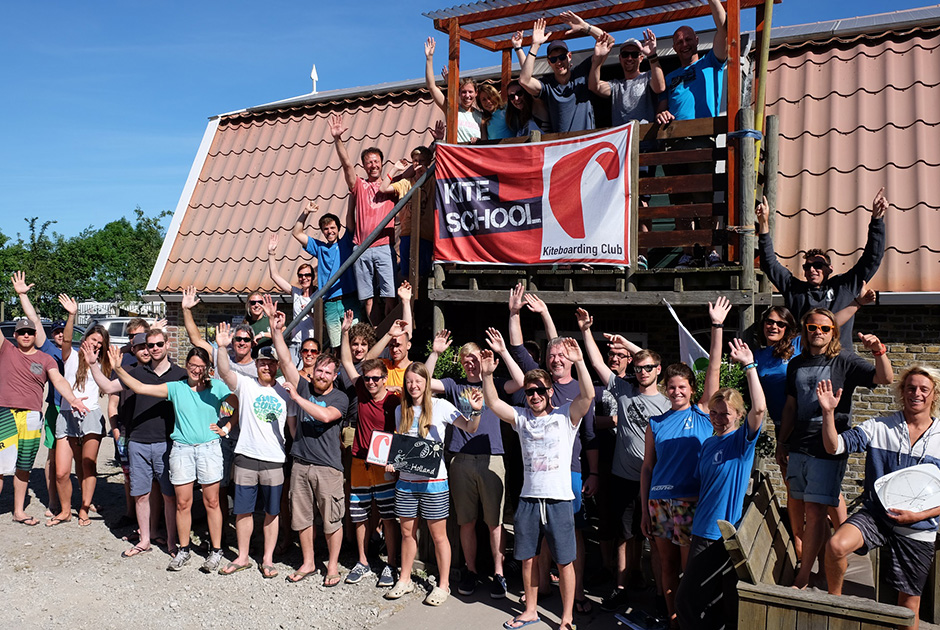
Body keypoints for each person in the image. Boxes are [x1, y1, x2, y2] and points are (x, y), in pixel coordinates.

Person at [776, 307, 893, 589]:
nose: (818, 332)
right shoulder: (796, 363)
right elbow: (791, 406)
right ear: (805, 331)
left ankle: (805, 575)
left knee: (816, 511)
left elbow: (884, 378)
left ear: (834, 333)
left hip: (828, 446)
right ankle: (818, 571)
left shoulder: (845, 361)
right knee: (804, 506)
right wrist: (782, 440)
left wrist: (879, 352)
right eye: (813, 327)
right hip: (799, 445)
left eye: (825, 329)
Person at [482, 341, 594, 630]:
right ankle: (530, 610)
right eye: (530, 391)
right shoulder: (522, 419)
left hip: (558, 499)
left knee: (565, 561)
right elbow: (494, 404)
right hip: (529, 499)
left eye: (540, 390)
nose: (534, 395)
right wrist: (485, 375)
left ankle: (566, 617)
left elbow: (588, 395)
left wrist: (579, 361)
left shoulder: (565, 416)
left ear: (550, 391)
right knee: (528, 559)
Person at [820, 367, 940, 630]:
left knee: (908, 606)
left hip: (919, 526)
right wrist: (828, 413)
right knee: (836, 545)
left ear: (934, 395)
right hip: (877, 514)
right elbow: (834, 446)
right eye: (910, 388)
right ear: (902, 392)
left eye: (923, 389)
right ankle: (834, 605)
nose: (916, 394)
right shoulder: (879, 426)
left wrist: (919, 516)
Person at [639, 297, 731, 627]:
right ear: (665, 389)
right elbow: (647, 467)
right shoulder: (656, 423)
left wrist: (716, 326)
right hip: (658, 503)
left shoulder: (703, 412)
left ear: (692, 389)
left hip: (691, 504)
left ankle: (691, 619)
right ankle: (673, 619)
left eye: (683, 387)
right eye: (672, 387)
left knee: (687, 568)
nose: (677, 391)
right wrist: (644, 507)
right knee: (664, 566)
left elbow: (716, 367)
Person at [576, 308, 670, 612]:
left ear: (658, 369)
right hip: (623, 477)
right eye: (639, 368)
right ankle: (620, 587)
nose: (642, 372)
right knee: (624, 536)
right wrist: (586, 330)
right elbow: (596, 363)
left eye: (648, 367)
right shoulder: (624, 390)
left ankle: (659, 593)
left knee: (655, 540)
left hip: (656, 482)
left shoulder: (669, 400)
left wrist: (629, 345)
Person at [108, 343, 231, 573]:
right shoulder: (176, 387)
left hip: (208, 448)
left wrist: (227, 425)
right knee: (183, 503)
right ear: (186, 366)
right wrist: (119, 369)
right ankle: (184, 549)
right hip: (182, 449)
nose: (197, 370)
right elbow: (140, 387)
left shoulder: (216, 387)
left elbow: (235, 401)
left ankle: (216, 550)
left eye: (201, 366)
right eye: (193, 365)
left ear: (207, 368)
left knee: (212, 502)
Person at [425, 327, 525, 598]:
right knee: (466, 522)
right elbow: (422, 382)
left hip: (492, 457)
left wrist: (503, 352)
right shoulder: (454, 386)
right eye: (465, 360)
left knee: (495, 522)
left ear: (482, 361)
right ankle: (470, 570)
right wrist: (435, 353)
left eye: (474, 359)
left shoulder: (493, 384)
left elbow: (521, 381)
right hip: (461, 459)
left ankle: (499, 573)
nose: (470, 364)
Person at [676, 338, 767, 628]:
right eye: (713, 413)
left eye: (725, 413)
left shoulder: (741, 443)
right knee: (709, 600)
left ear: (739, 415)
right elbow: (705, 490)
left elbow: (760, 410)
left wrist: (749, 366)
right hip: (700, 529)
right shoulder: (708, 444)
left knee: (687, 600)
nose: (717, 418)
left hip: (719, 535)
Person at [384, 362, 483, 606]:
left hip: (434, 482)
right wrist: (392, 463)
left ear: (427, 383)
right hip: (406, 482)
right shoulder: (400, 410)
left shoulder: (441, 406)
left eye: (418, 381)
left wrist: (476, 411)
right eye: (409, 381)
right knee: (407, 533)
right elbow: (401, 445)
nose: (413, 385)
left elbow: (469, 427)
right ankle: (404, 579)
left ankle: (443, 584)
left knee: (439, 536)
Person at [0, 272, 89, 526]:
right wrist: (20, 294)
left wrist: (72, 399)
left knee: (24, 466)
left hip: (31, 415)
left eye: (30, 332)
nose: (27, 335)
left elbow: (59, 380)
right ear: (14, 336)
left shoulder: (45, 357)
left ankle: (19, 511)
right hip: (4, 412)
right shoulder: (5, 349)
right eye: (22, 332)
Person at [210, 320, 295, 578]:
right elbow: (224, 373)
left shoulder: (286, 391)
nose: (266, 366)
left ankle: (267, 559)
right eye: (262, 362)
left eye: (271, 362)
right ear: (256, 364)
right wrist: (222, 348)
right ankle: (243, 555)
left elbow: (292, 427)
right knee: (243, 510)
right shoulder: (246, 385)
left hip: (274, 460)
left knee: (272, 512)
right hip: (246, 457)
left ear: (277, 365)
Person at [756, 191, 887, 342]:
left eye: (818, 265)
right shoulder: (795, 290)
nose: (812, 269)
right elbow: (769, 263)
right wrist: (763, 224)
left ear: (830, 269)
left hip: (838, 359)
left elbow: (872, 257)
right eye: (807, 267)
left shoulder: (844, 285)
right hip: (806, 359)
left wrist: (877, 220)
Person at [340, 313, 401, 588]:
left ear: (384, 378)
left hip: (384, 464)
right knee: (360, 515)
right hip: (359, 462)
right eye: (367, 379)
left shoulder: (395, 400)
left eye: (376, 378)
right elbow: (345, 361)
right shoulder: (361, 391)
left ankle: (390, 564)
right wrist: (343, 333)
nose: (371, 382)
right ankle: (363, 561)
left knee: (388, 517)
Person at [330, 113, 397, 325]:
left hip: (384, 246)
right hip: (361, 247)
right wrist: (337, 139)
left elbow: (417, 166)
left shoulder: (393, 185)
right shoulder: (359, 185)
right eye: (369, 162)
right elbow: (347, 165)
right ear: (365, 166)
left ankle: (388, 333)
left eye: (376, 161)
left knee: (389, 295)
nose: (373, 165)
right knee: (367, 299)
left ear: (382, 163)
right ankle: (375, 332)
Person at [50, 303, 112, 529]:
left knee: (88, 466)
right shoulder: (71, 356)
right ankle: (66, 510)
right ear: (85, 338)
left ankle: (84, 509)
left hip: (91, 416)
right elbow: (66, 340)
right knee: (61, 472)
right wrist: (71, 315)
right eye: (93, 339)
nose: (95, 344)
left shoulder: (104, 363)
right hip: (66, 414)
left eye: (99, 343)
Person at [292, 202, 362, 348]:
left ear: (338, 229)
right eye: (326, 229)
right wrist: (306, 212)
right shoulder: (320, 248)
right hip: (329, 303)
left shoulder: (346, 243)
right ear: (322, 231)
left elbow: (351, 219)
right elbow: (297, 233)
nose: (329, 231)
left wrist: (351, 197)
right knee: (336, 345)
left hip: (349, 299)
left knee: (355, 341)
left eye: (332, 228)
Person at [519, 12, 603, 133]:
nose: (559, 62)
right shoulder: (548, 85)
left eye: (562, 57)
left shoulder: (581, 74)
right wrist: (535, 45)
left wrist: (585, 27)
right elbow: (524, 80)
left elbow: (607, 42)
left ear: (569, 56)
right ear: (549, 62)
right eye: (553, 59)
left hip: (586, 145)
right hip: (562, 147)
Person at [655, 0, 727, 125]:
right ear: (674, 48)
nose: (685, 44)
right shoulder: (668, 78)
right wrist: (661, 115)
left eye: (688, 39)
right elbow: (660, 111)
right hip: (673, 138)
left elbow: (724, 30)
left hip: (703, 136)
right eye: (679, 42)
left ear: (697, 40)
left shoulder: (711, 62)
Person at [378, 146, 435, 280]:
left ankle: (420, 300)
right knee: (406, 274)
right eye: (415, 160)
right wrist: (395, 169)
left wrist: (427, 172)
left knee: (423, 275)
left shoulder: (432, 181)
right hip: (407, 233)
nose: (418, 163)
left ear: (428, 162)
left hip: (426, 234)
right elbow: (383, 188)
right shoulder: (406, 183)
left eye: (421, 160)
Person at [589, 30, 664, 127]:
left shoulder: (648, 77)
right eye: (625, 54)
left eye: (634, 55)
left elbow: (660, 87)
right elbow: (594, 86)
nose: (629, 58)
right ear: (620, 58)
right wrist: (597, 59)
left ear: (641, 58)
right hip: (622, 141)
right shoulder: (616, 86)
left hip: (645, 140)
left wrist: (652, 56)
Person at [266, 233, 316, 365]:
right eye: (301, 275)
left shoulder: (318, 295)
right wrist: (271, 253)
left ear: (312, 277)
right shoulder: (296, 293)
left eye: (307, 275)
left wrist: (311, 313)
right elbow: (274, 276)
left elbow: (322, 323)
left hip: (311, 344)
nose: (304, 278)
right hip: (295, 344)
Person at [424, 37, 482, 143]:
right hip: (455, 156)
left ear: (476, 93)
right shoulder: (451, 109)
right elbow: (431, 87)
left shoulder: (480, 116)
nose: (467, 95)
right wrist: (429, 58)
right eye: (464, 92)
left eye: (470, 92)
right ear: (459, 93)